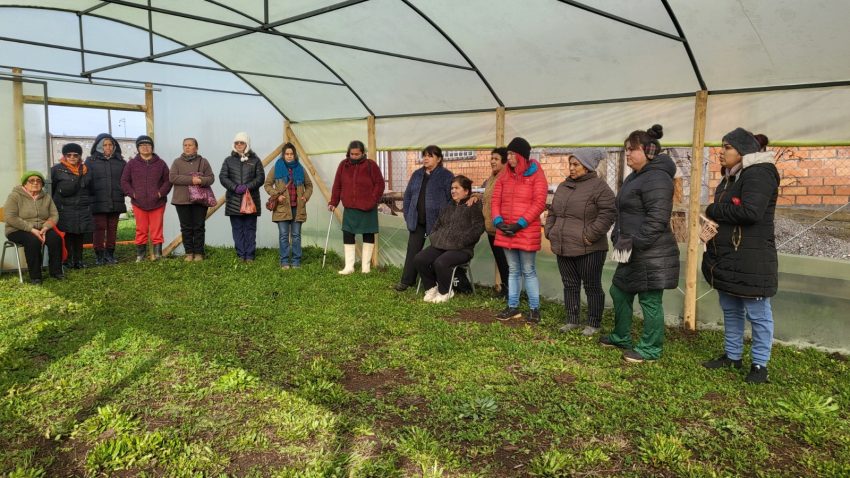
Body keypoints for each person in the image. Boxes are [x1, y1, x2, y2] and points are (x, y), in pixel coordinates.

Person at [701, 129, 778, 384]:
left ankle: (759, 365)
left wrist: (714, 209)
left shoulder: (760, 173)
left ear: (742, 150)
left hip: (751, 259)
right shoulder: (731, 177)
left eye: (727, 147)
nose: (721, 152)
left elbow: (751, 212)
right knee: (731, 308)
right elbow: (734, 209)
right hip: (730, 255)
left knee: (758, 314)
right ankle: (732, 356)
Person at [600, 124, 679, 363]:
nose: (628, 154)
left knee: (650, 299)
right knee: (619, 290)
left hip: (651, 252)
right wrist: (618, 237)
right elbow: (622, 212)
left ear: (649, 151)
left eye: (632, 150)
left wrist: (634, 243)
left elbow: (657, 219)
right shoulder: (636, 177)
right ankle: (622, 336)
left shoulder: (658, 178)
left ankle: (651, 348)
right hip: (631, 249)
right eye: (626, 150)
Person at [545, 148, 616, 336]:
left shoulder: (599, 187)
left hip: (590, 248)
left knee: (592, 286)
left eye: (576, 164)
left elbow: (608, 212)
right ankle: (572, 320)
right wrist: (550, 231)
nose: (571, 168)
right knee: (570, 284)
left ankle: (594, 322)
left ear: (587, 166)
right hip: (563, 245)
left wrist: (590, 235)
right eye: (570, 164)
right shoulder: (563, 186)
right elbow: (553, 211)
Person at [492, 137, 549, 323]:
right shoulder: (504, 176)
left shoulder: (537, 175)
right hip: (507, 230)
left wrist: (520, 224)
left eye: (511, 154)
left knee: (528, 270)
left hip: (524, 231)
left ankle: (534, 309)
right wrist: (498, 221)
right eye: (507, 154)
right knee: (513, 270)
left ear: (521, 156)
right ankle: (513, 307)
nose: (508, 157)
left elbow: (539, 203)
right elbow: (495, 200)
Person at [414, 175, 484, 302]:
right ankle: (431, 288)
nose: (453, 191)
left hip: (462, 249)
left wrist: (461, 241)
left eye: (457, 188)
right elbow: (436, 226)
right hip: (441, 245)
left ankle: (445, 292)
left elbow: (478, 229)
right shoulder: (448, 206)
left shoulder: (473, 206)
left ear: (466, 191)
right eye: (452, 188)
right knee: (420, 259)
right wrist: (435, 238)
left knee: (440, 262)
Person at [395, 145, 454, 291]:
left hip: (437, 223)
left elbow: (451, 199)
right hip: (417, 221)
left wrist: (444, 218)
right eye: (425, 155)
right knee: (412, 250)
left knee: (437, 252)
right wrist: (408, 216)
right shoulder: (417, 174)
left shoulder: (446, 176)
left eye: (430, 156)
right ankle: (407, 280)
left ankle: (439, 282)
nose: (426, 158)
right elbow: (408, 196)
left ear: (439, 159)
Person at [328, 140, 385, 274]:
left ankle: (366, 267)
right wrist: (333, 202)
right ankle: (349, 267)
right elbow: (337, 185)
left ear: (363, 153)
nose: (354, 156)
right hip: (350, 207)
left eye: (357, 154)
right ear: (349, 153)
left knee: (368, 234)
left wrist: (373, 200)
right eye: (352, 154)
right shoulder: (343, 165)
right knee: (347, 233)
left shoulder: (371, 165)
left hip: (367, 207)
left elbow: (380, 184)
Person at [4, 171, 62, 284]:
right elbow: (10, 217)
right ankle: (35, 276)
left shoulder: (46, 197)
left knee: (55, 238)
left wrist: (46, 227)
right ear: (25, 184)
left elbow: (54, 215)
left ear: (42, 183)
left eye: (38, 180)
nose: (35, 183)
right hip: (17, 229)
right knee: (32, 241)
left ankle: (56, 272)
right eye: (31, 180)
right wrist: (31, 229)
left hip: (41, 228)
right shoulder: (15, 196)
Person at [121, 135, 172, 262]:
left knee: (157, 229)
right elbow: (124, 181)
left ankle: (158, 255)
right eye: (142, 145)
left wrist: (160, 193)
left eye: (148, 145)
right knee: (141, 229)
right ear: (138, 148)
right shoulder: (131, 164)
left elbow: (168, 180)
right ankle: (140, 256)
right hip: (139, 203)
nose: (145, 148)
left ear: (152, 148)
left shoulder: (161, 163)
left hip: (158, 203)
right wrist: (133, 194)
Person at [264, 142, 313, 269]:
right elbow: (267, 184)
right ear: (283, 155)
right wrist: (276, 195)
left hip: (297, 207)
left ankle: (296, 261)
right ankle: (284, 261)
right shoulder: (277, 167)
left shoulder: (300, 168)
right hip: (282, 208)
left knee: (296, 236)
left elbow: (309, 185)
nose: (289, 156)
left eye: (291, 154)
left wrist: (305, 197)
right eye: (287, 154)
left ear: (295, 155)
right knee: (284, 235)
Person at [219, 132, 265, 262]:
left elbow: (261, 178)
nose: (239, 145)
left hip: (251, 201)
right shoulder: (228, 160)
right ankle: (240, 254)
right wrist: (234, 187)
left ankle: (250, 255)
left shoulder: (255, 160)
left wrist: (247, 187)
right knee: (237, 229)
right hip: (234, 201)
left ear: (247, 144)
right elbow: (223, 177)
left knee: (250, 228)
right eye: (237, 143)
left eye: (242, 142)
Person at [169, 137, 215, 262]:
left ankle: (199, 253)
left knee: (199, 226)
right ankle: (189, 253)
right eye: (185, 145)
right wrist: (191, 180)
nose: (187, 147)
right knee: (185, 227)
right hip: (181, 200)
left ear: (196, 147)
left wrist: (201, 180)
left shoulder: (203, 162)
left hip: (200, 200)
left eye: (190, 145)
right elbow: (173, 178)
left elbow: (211, 178)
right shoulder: (177, 162)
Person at [85, 133, 126, 265]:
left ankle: (110, 254)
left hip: (116, 198)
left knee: (113, 227)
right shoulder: (90, 161)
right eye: (105, 145)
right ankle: (99, 255)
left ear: (114, 146)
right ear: (98, 146)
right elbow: (87, 181)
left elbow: (125, 180)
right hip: (97, 199)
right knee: (99, 227)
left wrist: (123, 191)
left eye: (110, 144)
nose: (108, 147)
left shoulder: (121, 162)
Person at [51, 142, 93, 269]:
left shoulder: (86, 170)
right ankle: (67, 261)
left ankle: (79, 261)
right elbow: (51, 190)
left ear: (80, 156)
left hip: (82, 207)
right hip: (65, 208)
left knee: (80, 234)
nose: (72, 157)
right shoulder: (56, 170)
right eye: (69, 155)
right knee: (68, 235)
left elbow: (91, 188)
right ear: (64, 156)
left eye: (75, 155)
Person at [481, 147, 511, 297]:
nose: (492, 161)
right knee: (500, 261)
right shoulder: (493, 177)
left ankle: (510, 291)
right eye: (491, 158)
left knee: (506, 262)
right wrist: (476, 195)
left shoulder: (506, 177)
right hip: (491, 227)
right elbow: (488, 198)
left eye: (496, 159)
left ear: (505, 161)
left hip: (501, 227)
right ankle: (505, 288)